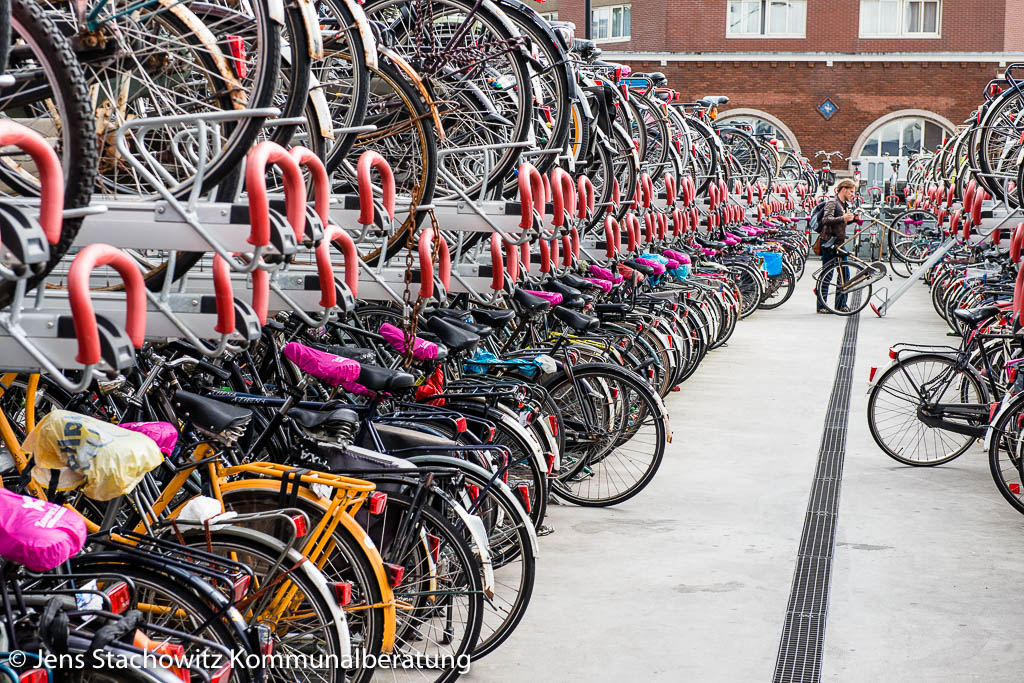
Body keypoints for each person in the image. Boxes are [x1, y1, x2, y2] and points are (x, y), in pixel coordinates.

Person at [817, 178, 858, 313]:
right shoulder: (832, 202)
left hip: (839, 243)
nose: (852, 194)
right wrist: (843, 218)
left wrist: (852, 220)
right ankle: (822, 306)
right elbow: (826, 219)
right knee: (827, 275)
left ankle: (841, 304)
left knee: (844, 273)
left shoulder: (843, 204)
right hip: (829, 242)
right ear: (844, 189)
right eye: (851, 191)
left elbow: (840, 223)